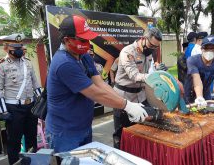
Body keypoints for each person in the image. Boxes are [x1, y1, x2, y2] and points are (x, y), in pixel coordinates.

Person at [46, 15, 148, 153]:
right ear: (67, 40)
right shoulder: (64, 63)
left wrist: (126, 104)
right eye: (83, 39)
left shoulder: (84, 56)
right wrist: (127, 105)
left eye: (88, 39)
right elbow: (95, 93)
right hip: (64, 132)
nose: (87, 43)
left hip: (84, 126)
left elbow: (101, 84)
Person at [0, 33, 41, 165]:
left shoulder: (28, 63)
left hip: (31, 106)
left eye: (20, 47)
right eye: (15, 47)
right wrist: (3, 111)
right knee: (14, 142)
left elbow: (35, 84)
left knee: (32, 139)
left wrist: (41, 102)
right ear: (6, 48)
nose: (19, 50)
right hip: (14, 108)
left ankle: (32, 162)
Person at [113, 27, 162, 148]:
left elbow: (147, 72)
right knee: (122, 132)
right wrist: (154, 76)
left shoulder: (148, 53)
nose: (153, 49)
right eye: (152, 45)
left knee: (141, 128)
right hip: (124, 96)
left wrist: (157, 72)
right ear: (143, 39)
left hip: (140, 95)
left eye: (156, 47)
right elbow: (134, 76)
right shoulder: (128, 52)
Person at [184, 35, 214, 112]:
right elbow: (196, 80)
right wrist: (199, 97)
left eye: (213, 48)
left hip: (206, 94)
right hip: (188, 94)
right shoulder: (192, 60)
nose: (209, 51)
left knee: (207, 116)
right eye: (206, 48)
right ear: (201, 49)